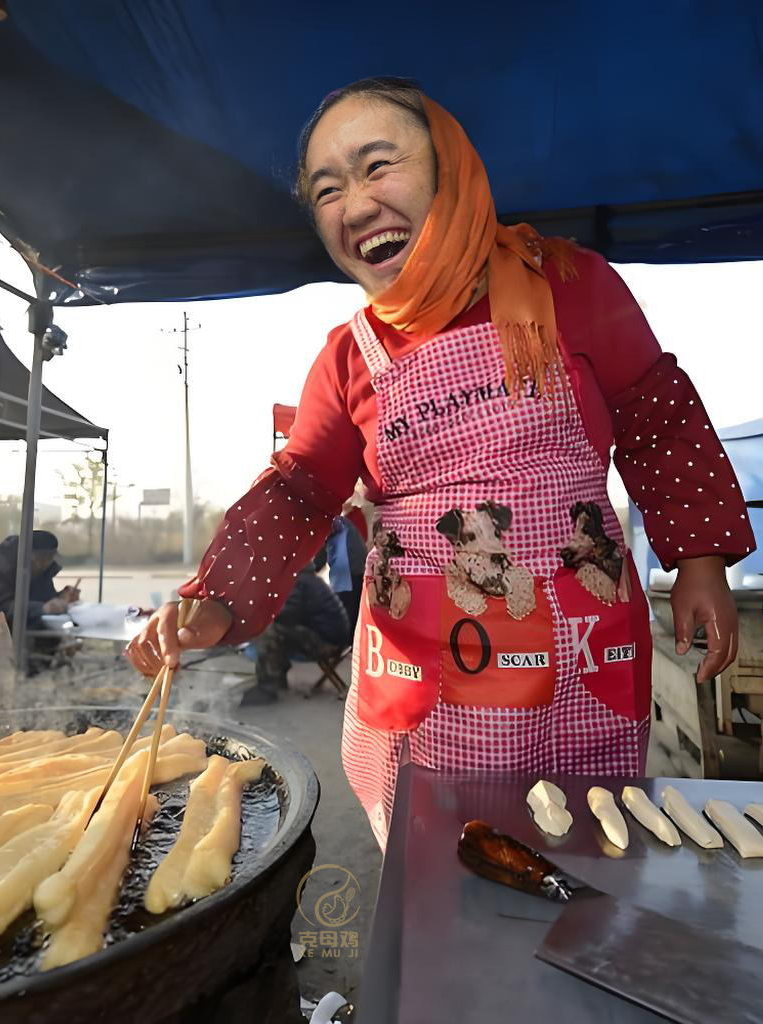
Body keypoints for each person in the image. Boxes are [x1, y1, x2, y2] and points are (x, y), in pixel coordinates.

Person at [127, 77, 755, 851]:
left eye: (377, 166)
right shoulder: (346, 356)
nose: (354, 205)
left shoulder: (572, 284)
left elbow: (659, 423)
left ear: (449, 173)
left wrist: (700, 562)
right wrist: (216, 599)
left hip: (583, 664)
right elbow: (299, 492)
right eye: (327, 190)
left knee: (590, 860)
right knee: (443, 885)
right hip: (425, 686)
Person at [242, 553, 351, 706]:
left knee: (270, 631)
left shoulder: (297, 581)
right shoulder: (304, 578)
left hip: (328, 644)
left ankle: (267, 687)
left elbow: (286, 614)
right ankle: (276, 678)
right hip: (333, 638)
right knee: (279, 630)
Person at [0, 530, 81, 630]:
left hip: (12, 627)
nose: (43, 564)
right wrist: (42, 608)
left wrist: (61, 597)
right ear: (27, 554)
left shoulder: (43, 568)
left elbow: (42, 599)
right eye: (41, 558)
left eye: (49, 558)